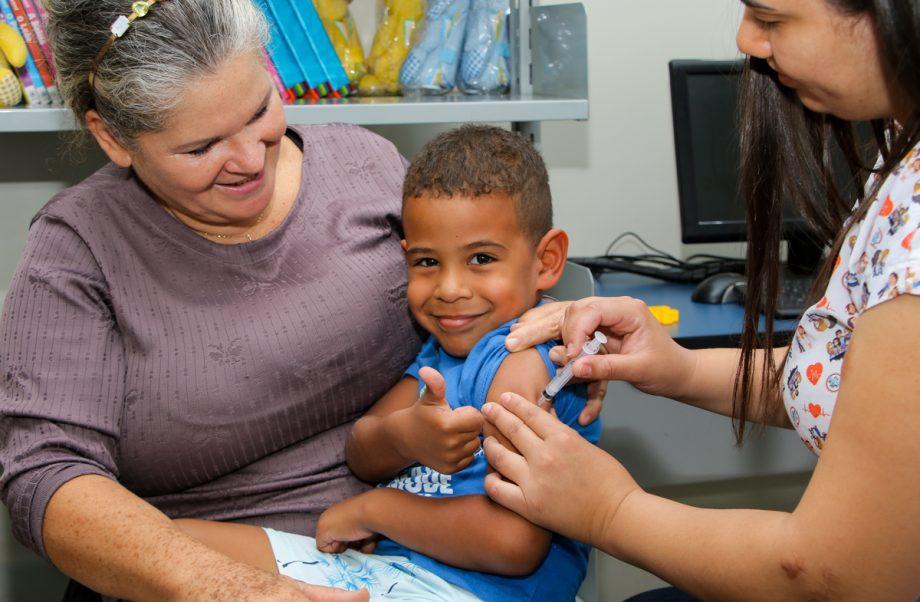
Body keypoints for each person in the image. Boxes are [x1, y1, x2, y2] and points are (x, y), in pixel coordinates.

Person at [480, 0, 920, 599]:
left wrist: (609, 511)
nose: (746, 39)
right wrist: (677, 367)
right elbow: (849, 386)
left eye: (770, 20)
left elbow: (832, 574)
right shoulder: (903, 147)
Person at [0, 1, 421, 599]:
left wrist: (558, 323)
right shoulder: (77, 251)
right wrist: (227, 588)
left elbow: (484, 304)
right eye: (201, 149)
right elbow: (46, 477)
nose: (252, 160)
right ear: (112, 138)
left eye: (260, 110)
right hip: (203, 570)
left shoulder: (367, 165)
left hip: (422, 546)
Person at [171, 124, 602, 600]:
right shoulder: (444, 352)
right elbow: (362, 449)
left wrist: (372, 510)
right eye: (426, 262)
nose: (450, 288)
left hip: (468, 592)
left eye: (480, 258)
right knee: (174, 545)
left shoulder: (526, 363)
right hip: (392, 573)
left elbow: (511, 543)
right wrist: (405, 436)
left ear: (546, 261)